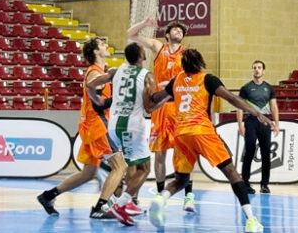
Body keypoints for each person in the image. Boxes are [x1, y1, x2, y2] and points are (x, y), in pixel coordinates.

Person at [148, 49, 270, 232]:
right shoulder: (208, 79)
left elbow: (155, 99)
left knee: (181, 179)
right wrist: (255, 112)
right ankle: (251, 220)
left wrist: (147, 89)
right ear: (200, 62)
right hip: (202, 131)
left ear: (183, 65)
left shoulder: (176, 81)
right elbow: (231, 98)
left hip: (181, 134)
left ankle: (161, 198)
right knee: (232, 173)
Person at [37, 37, 131, 224]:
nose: (106, 45)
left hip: (91, 126)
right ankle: (100, 207)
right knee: (120, 166)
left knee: (88, 173)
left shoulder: (99, 72)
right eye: (103, 45)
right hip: (97, 125)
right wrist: (114, 74)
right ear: (95, 52)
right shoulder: (94, 73)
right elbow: (95, 90)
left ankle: (48, 196)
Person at [86, 43, 167, 219]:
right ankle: (120, 205)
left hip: (114, 125)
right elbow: (149, 108)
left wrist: (97, 101)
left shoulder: (116, 71)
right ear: (141, 57)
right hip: (132, 127)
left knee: (131, 164)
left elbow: (90, 85)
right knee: (144, 168)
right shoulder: (147, 76)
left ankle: (127, 204)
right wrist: (167, 97)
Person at [127, 16, 196, 211]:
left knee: (184, 153)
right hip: (160, 107)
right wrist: (145, 24)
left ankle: (188, 196)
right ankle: (160, 196)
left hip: (180, 107)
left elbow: (196, 78)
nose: (179, 33)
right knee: (159, 156)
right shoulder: (159, 48)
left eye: (181, 31)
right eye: (175, 30)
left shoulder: (187, 54)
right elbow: (131, 34)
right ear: (167, 34)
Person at [237, 60, 280, 194]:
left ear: (263, 71)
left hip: (265, 122)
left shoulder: (269, 88)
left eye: (259, 68)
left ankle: (264, 185)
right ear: (252, 70)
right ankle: (245, 183)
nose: (257, 70)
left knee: (266, 154)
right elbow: (239, 107)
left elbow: (273, 106)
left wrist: (277, 123)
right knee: (249, 150)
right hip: (251, 121)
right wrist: (240, 125)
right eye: (255, 68)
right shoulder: (246, 88)